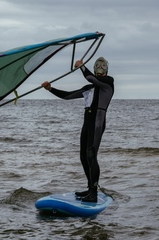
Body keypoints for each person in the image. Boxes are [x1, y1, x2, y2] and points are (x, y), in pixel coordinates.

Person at [41, 57, 114, 202]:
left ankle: (93, 194)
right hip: (87, 122)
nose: (100, 68)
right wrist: (50, 89)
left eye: (103, 67)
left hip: (97, 122)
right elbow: (67, 96)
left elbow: (91, 78)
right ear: (95, 69)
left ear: (106, 70)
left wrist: (81, 66)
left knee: (91, 154)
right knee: (83, 156)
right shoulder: (89, 88)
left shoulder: (108, 83)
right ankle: (90, 189)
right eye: (98, 66)